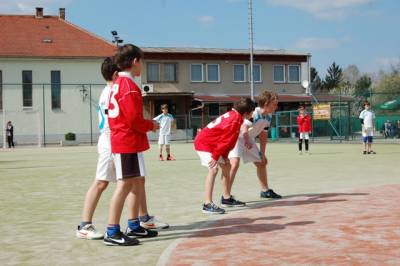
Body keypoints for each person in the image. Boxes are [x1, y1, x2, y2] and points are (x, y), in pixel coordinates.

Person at [76, 57, 168, 241]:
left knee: (137, 179)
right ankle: (85, 225)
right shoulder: (116, 89)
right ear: (116, 73)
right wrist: (149, 125)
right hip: (114, 139)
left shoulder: (109, 89)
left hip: (114, 138)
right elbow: (129, 119)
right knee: (107, 182)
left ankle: (139, 220)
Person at [104, 44, 160, 246]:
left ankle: (134, 225)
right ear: (135, 61)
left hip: (127, 140)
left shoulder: (118, 83)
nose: (142, 66)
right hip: (127, 141)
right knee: (125, 184)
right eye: (142, 62)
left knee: (136, 181)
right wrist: (151, 125)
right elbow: (133, 121)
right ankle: (111, 231)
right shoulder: (128, 87)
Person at [194, 97, 255, 214]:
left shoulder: (234, 115)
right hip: (204, 143)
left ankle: (226, 198)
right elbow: (226, 140)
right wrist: (216, 156)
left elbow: (228, 139)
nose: (252, 114)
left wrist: (225, 156)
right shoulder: (235, 119)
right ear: (246, 112)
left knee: (227, 167)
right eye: (251, 112)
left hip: (212, 144)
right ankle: (207, 204)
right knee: (213, 169)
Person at [227, 91, 282, 207]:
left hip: (248, 140)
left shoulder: (268, 116)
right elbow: (243, 127)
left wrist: (262, 153)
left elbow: (263, 134)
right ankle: (226, 196)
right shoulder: (255, 113)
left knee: (262, 162)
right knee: (234, 164)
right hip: (236, 138)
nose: (276, 107)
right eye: (274, 104)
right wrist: (246, 140)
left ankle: (265, 191)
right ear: (266, 104)